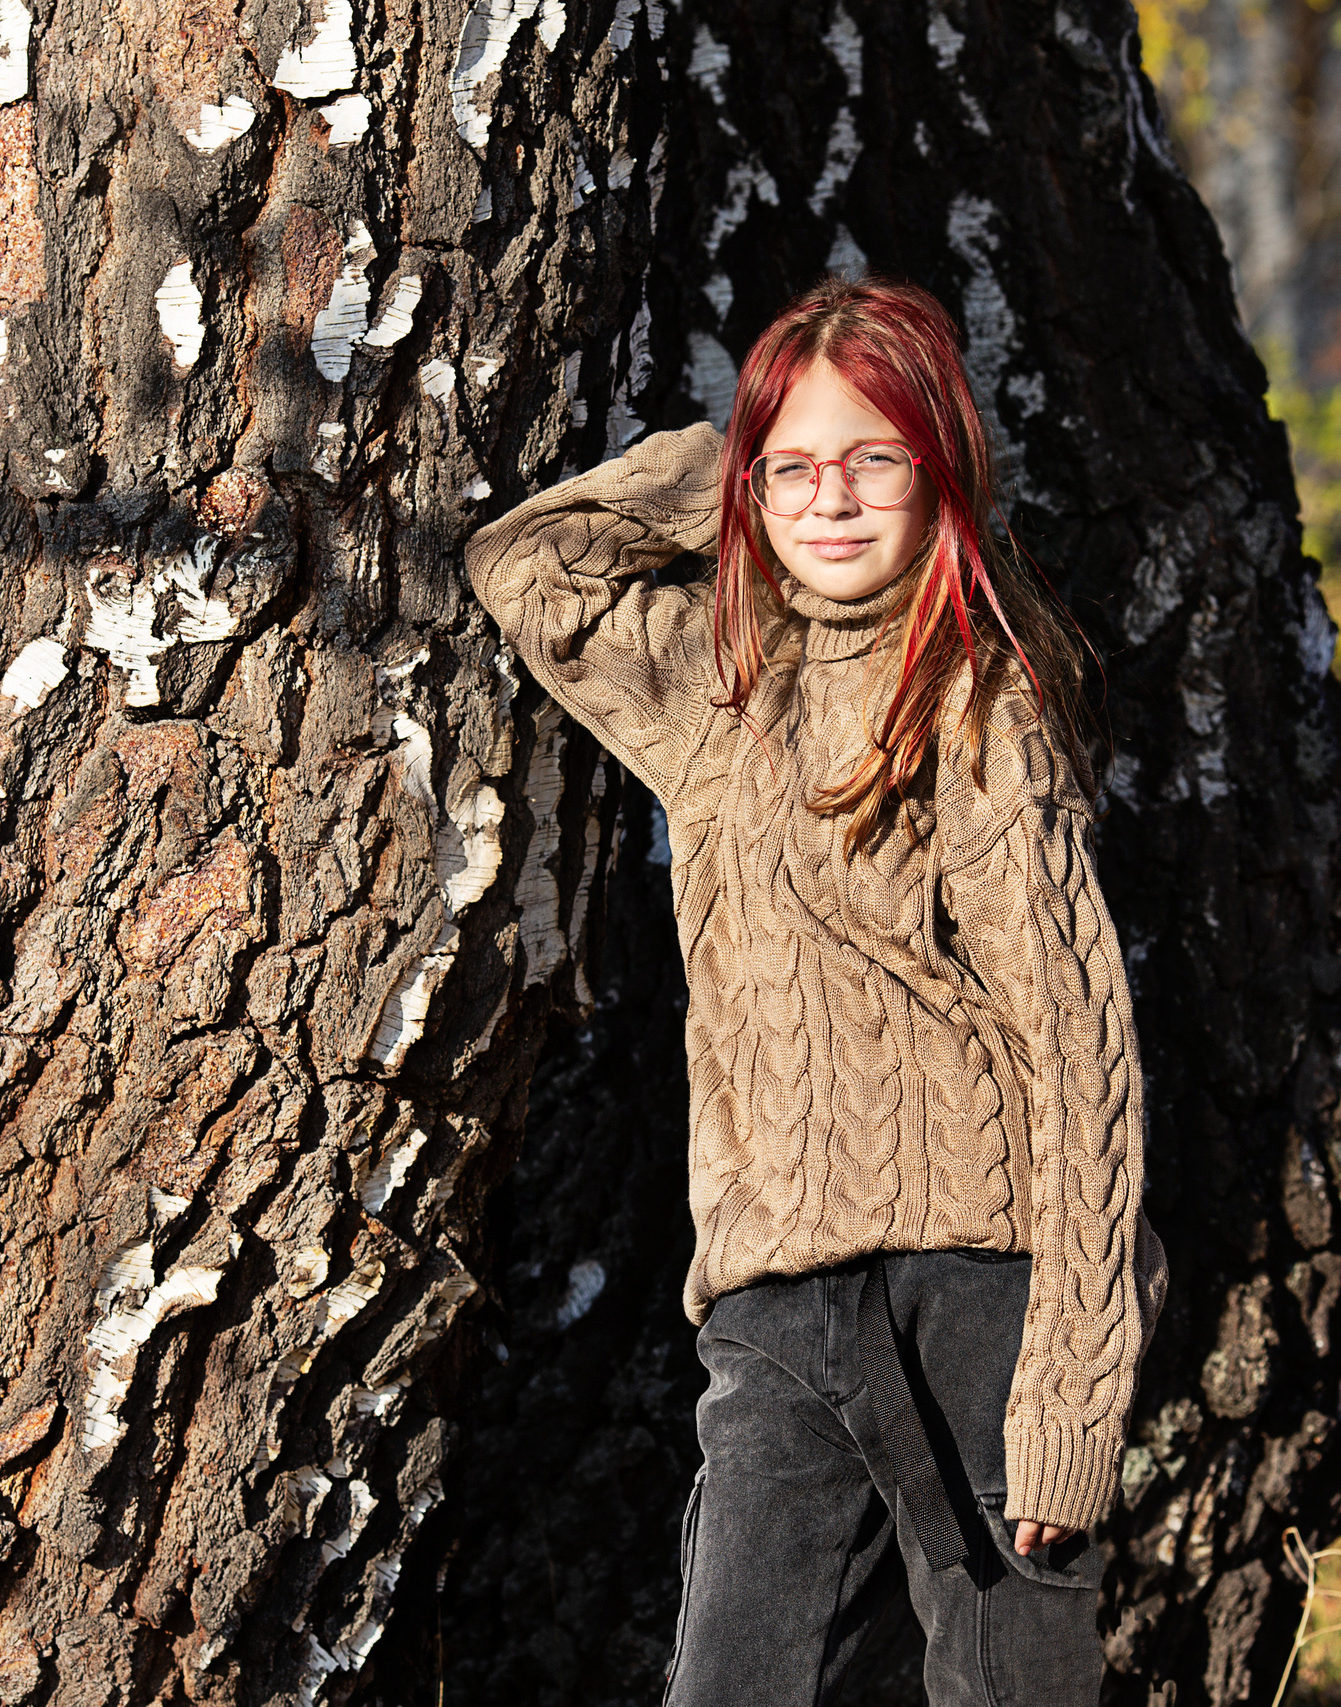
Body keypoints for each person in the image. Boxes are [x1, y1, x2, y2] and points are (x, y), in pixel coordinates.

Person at [466, 275, 1166, 1707]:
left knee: (1004, 1690)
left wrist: (1074, 1386)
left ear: (943, 472)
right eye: (796, 469)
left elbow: (1080, 1040)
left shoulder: (978, 701)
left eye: (875, 460)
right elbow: (530, 566)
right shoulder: (719, 693)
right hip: (773, 1307)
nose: (831, 499)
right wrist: (724, 468)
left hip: (983, 1290)